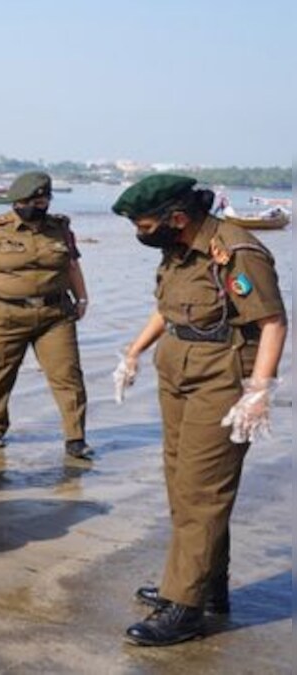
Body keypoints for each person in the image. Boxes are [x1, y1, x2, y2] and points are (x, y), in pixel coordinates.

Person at [111, 175, 287, 647]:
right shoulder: (179, 249)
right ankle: (204, 586)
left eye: (145, 225)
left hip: (222, 379)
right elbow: (167, 310)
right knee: (180, 481)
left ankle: (185, 608)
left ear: (178, 218)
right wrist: (133, 353)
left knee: (201, 489)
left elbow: (272, 321)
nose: (140, 234)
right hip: (178, 374)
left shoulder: (236, 251)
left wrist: (259, 390)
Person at [0, 171, 92, 460]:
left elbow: (71, 265)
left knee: (67, 375)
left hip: (55, 314)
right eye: (30, 200)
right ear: (16, 201)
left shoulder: (60, 229)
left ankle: (75, 437)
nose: (36, 205)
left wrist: (82, 297)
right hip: (4, 313)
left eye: (42, 200)